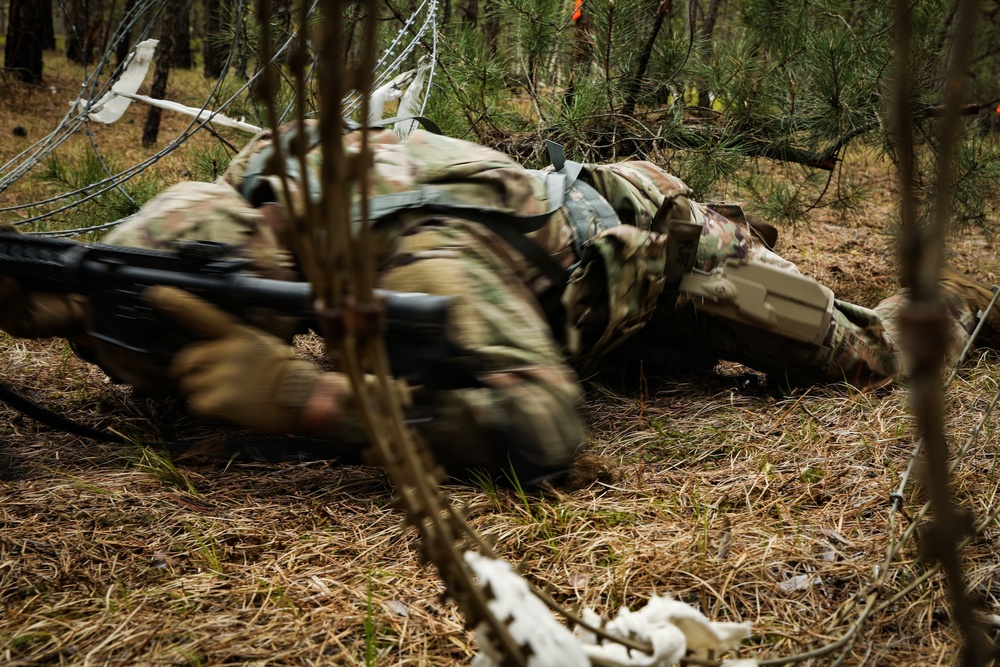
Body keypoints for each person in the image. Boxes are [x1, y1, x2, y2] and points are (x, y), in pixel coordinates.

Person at [1, 123, 997, 483]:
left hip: (657, 259)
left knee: (872, 353)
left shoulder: (424, 256)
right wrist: (69, 309)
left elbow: (546, 428)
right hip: (533, 279)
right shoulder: (259, 180)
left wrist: (310, 404)